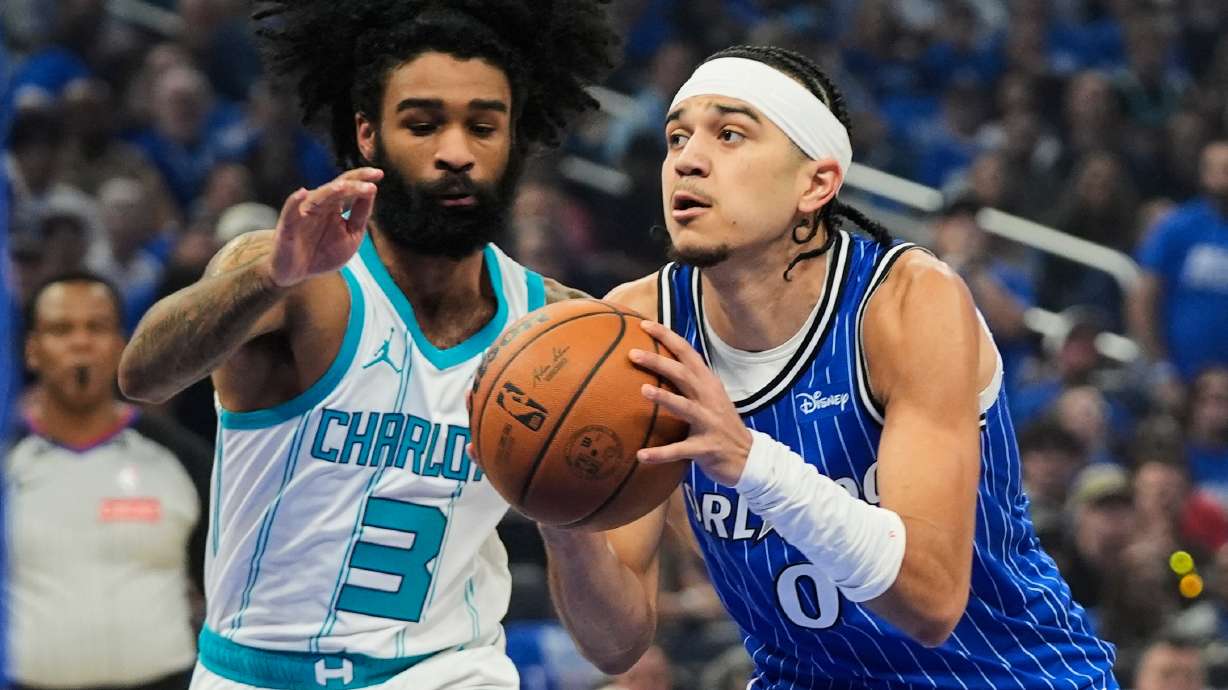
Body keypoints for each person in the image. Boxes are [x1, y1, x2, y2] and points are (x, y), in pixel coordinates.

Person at [528, 46, 1118, 688]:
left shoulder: (906, 302)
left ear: (816, 183)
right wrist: (562, 513)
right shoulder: (641, 325)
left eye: (730, 134)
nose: (688, 160)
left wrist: (749, 462)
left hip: (1002, 674)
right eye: (677, 137)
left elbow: (931, 602)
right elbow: (614, 644)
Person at [117, 2, 616, 689]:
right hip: (255, 671)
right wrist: (269, 278)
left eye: (483, 125)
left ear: (515, 139)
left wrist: (570, 515)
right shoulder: (294, 276)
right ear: (368, 134)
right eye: (422, 123)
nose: (455, 151)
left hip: (450, 669)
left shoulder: (558, 330)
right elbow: (140, 375)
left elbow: (617, 644)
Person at [5, 273, 211, 690]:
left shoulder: (180, 456)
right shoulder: (9, 458)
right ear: (31, 350)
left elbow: (226, 587)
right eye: (61, 330)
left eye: (96, 328)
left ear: (121, 345)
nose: (80, 343)